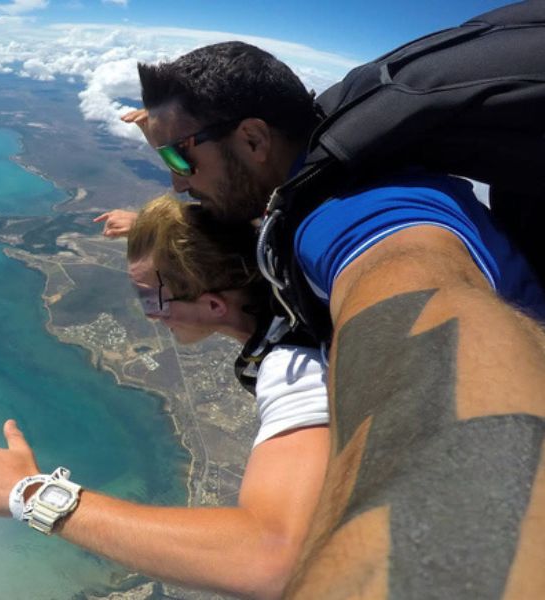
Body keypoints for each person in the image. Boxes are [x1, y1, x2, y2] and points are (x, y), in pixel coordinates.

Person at [131, 42, 545, 598]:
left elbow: (430, 312)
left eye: (180, 159)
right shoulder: (327, 168)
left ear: (253, 138)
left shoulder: (354, 220)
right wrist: (172, 154)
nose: (178, 182)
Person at [0, 194, 330, 599]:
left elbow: (273, 560)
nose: (149, 314)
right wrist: (154, 232)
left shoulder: (297, 368)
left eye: (149, 298)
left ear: (212, 304)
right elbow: (231, 239)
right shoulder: (293, 267)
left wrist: (27, 493)